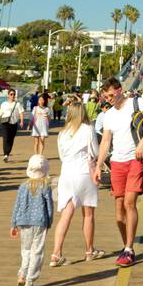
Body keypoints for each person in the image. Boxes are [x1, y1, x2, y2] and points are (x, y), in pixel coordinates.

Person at [91, 77, 143, 268]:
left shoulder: (137, 103)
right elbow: (105, 142)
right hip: (117, 162)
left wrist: (142, 143)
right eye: (106, 96)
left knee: (130, 203)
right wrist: (98, 166)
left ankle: (129, 248)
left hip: (135, 159)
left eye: (111, 95)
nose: (109, 99)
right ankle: (126, 246)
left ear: (120, 90)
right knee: (118, 210)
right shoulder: (109, 115)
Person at [50, 101, 102, 265]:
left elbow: (61, 156)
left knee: (66, 215)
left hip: (66, 174)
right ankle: (89, 250)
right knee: (88, 214)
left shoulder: (62, 133)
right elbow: (95, 151)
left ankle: (56, 254)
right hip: (84, 173)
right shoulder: (88, 129)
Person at [10, 154, 54, 286]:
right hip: (40, 222)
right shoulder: (45, 186)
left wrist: (13, 223)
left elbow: (17, 205)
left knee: (26, 250)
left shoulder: (23, 186)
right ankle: (30, 281)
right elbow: (49, 207)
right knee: (37, 251)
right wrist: (49, 222)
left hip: (23, 222)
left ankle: (22, 275)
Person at [0, 88, 25, 161]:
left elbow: (21, 113)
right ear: (8, 95)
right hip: (5, 123)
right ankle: (5, 154)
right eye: (11, 94)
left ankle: (7, 153)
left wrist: (21, 121)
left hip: (14, 123)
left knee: (11, 139)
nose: (12, 96)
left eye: (14, 94)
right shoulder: (4, 104)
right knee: (5, 138)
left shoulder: (17, 104)